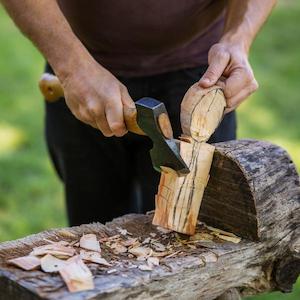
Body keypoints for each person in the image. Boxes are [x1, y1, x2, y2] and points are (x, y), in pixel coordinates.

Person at [1, 0, 276, 226]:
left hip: (203, 77)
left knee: (194, 229)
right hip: (79, 67)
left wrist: (238, 38)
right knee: (94, 236)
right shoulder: (74, 70)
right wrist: (72, 67)